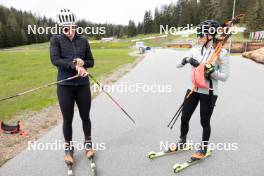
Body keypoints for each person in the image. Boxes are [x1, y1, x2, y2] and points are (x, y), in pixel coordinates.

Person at [171, 20, 229, 159]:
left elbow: (225, 77)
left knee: (204, 121)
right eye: (198, 34)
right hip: (193, 89)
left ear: (211, 35)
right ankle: (183, 141)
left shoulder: (221, 53)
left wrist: (211, 73)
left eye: (201, 34)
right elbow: (177, 65)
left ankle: (203, 148)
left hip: (209, 92)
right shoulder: (195, 49)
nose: (198, 37)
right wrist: (186, 60)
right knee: (184, 117)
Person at [50, 9, 94, 164]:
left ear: (75, 25)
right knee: (67, 119)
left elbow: (91, 62)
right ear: (61, 27)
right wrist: (74, 65)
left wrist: (83, 63)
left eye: (71, 26)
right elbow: (55, 60)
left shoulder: (83, 41)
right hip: (65, 85)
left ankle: (88, 144)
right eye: (65, 28)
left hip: (82, 85)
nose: (69, 30)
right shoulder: (56, 40)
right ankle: (69, 149)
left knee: (85, 117)